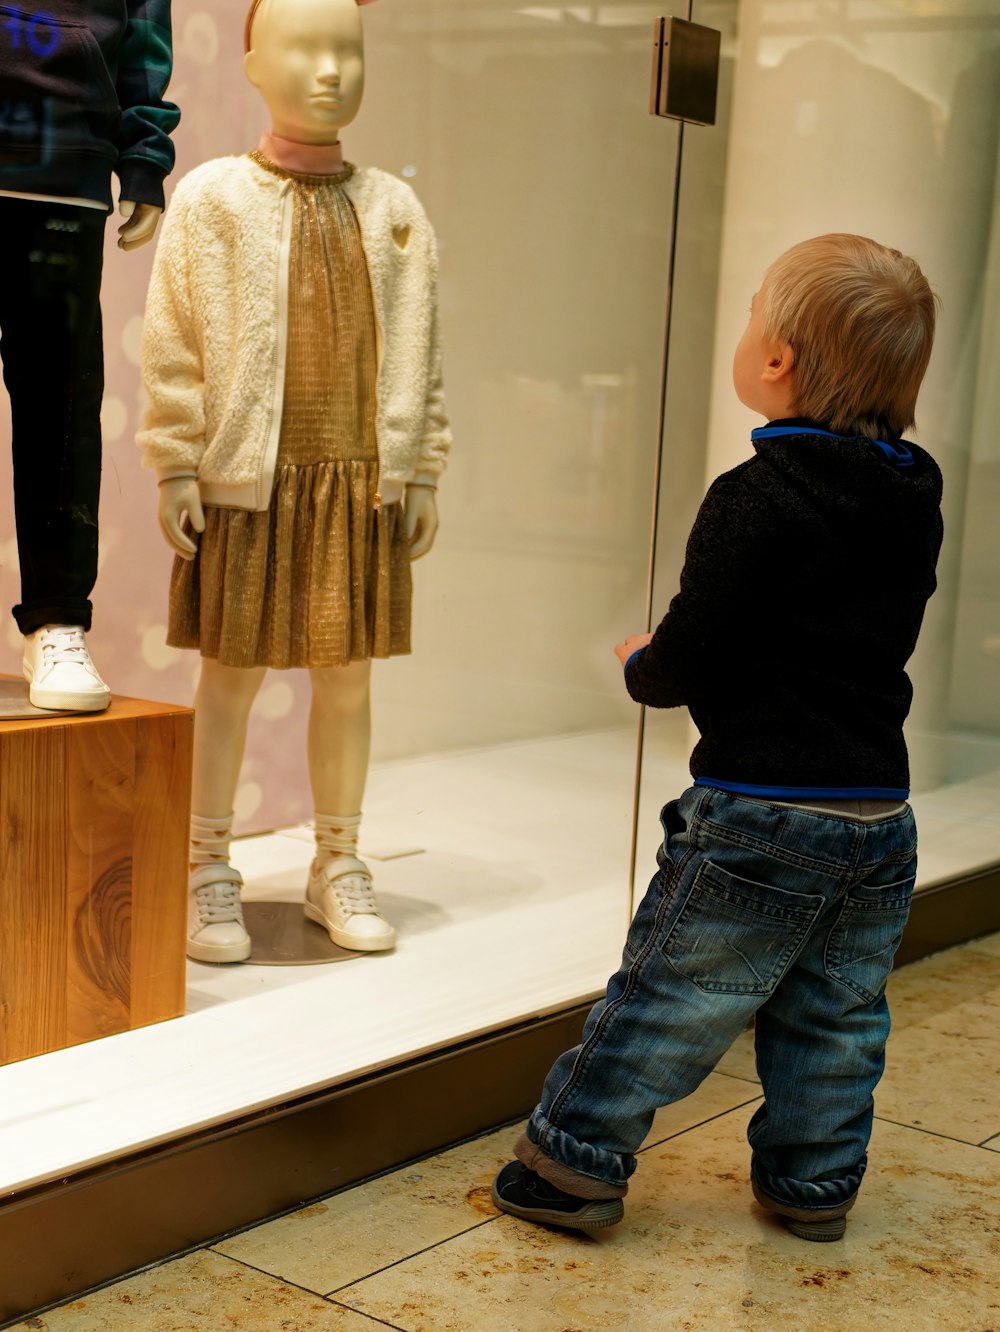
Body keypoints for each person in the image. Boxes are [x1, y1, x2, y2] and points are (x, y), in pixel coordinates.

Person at [491, 234, 943, 1242]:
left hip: (761, 814)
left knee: (670, 999)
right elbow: (832, 627)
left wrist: (642, 664)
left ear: (774, 360)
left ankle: (570, 1167)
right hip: (877, 816)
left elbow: (693, 652)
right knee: (836, 1018)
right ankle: (813, 1187)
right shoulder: (915, 493)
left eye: (749, 319)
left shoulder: (754, 497)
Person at [138, 0, 450, 963]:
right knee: (228, 678)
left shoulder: (395, 207)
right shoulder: (213, 196)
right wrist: (176, 460)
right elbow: (175, 337)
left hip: (357, 480)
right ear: (252, 62)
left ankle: (338, 860)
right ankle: (205, 868)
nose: (329, 71)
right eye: (305, 50)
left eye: (346, 52)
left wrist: (422, 466)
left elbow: (422, 347)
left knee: (347, 681)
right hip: (248, 477)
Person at [1, 0, 179, 711]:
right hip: (63, 158)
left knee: (62, 409)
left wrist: (143, 155)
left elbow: (144, 23)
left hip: (64, 163)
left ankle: (57, 619)